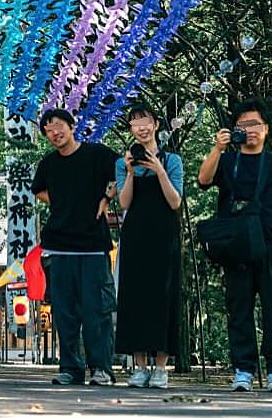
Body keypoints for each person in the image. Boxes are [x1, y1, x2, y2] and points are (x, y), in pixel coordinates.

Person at [198, 98, 272, 393]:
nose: (250, 130)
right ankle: (243, 370)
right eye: (243, 125)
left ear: (266, 128)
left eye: (255, 124)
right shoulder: (228, 159)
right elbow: (203, 179)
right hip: (236, 245)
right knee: (238, 308)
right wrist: (218, 148)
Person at [31, 108, 119, 387]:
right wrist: (61, 203)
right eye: (47, 130)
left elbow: (121, 170)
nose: (54, 133)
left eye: (58, 126)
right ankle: (70, 367)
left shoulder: (97, 154)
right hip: (59, 247)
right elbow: (38, 191)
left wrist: (106, 199)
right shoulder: (48, 164)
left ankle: (101, 368)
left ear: (71, 126)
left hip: (93, 245)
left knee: (97, 311)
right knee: (65, 313)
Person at [113, 104, 184, 389]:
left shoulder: (172, 160)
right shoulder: (123, 162)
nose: (141, 127)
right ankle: (139, 366)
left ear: (155, 124)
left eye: (145, 121)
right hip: (135, 236)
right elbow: (125, 203)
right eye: (135, 123)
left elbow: (176, 202)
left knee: (164, 298)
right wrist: (131, 172)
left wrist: (159, 169)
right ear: (130, 129)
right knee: (135, 298)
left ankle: (161, 368)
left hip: (164, 237)